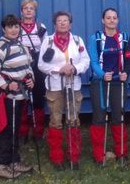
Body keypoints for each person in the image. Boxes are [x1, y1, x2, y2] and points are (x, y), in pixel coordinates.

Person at [37, 11, 91, 170]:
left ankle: (74, 156)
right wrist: (59, 69)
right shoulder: (47, 41)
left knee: (73, 120)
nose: (62, 23)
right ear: (54, 24)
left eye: (65, 20)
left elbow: (86, 60)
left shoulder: (77, 40)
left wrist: (74, 68)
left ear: (70, 24)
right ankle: (57, 158)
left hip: (74, 85)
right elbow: (41, 65)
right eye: (59, 21)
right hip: (55, 87)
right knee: (55, 121)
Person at [0, 14, 36, 180]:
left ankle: (14, 161)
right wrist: (6, 85)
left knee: (15, 128)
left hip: (20, 95)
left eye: (16, 26)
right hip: (7, 97)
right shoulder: (1, 46)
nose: (14, 30)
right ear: (4, 29)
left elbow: (28, 66)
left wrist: (31, 78)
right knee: (6, 129)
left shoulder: (20, 45)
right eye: (10, 27)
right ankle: (1, 164)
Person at [87, 8, 130, 166]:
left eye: (114, 18)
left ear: (118, 20)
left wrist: (125, 73)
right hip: (100, 82)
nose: (111, 20)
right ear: (103, 20)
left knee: (118, 116)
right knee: (99, 117)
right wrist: (102, 74)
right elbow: (93, 61)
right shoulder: (95, 38)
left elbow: (128, 60)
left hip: (118, 83)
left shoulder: (124, 38)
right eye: (108, 18)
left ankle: (122, 152)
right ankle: (99, 155)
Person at [17, 0, 47, 142]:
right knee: (22, 98)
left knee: (38, 98)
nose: (28, 11)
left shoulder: (41, 27)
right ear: (21, 11)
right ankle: (22, 132)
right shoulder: (16, 26)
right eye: (26, 8)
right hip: (20, 64)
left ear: (35, 11)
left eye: (32, 8)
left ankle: (38, 132)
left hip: (37, 65)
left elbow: (46, 47)